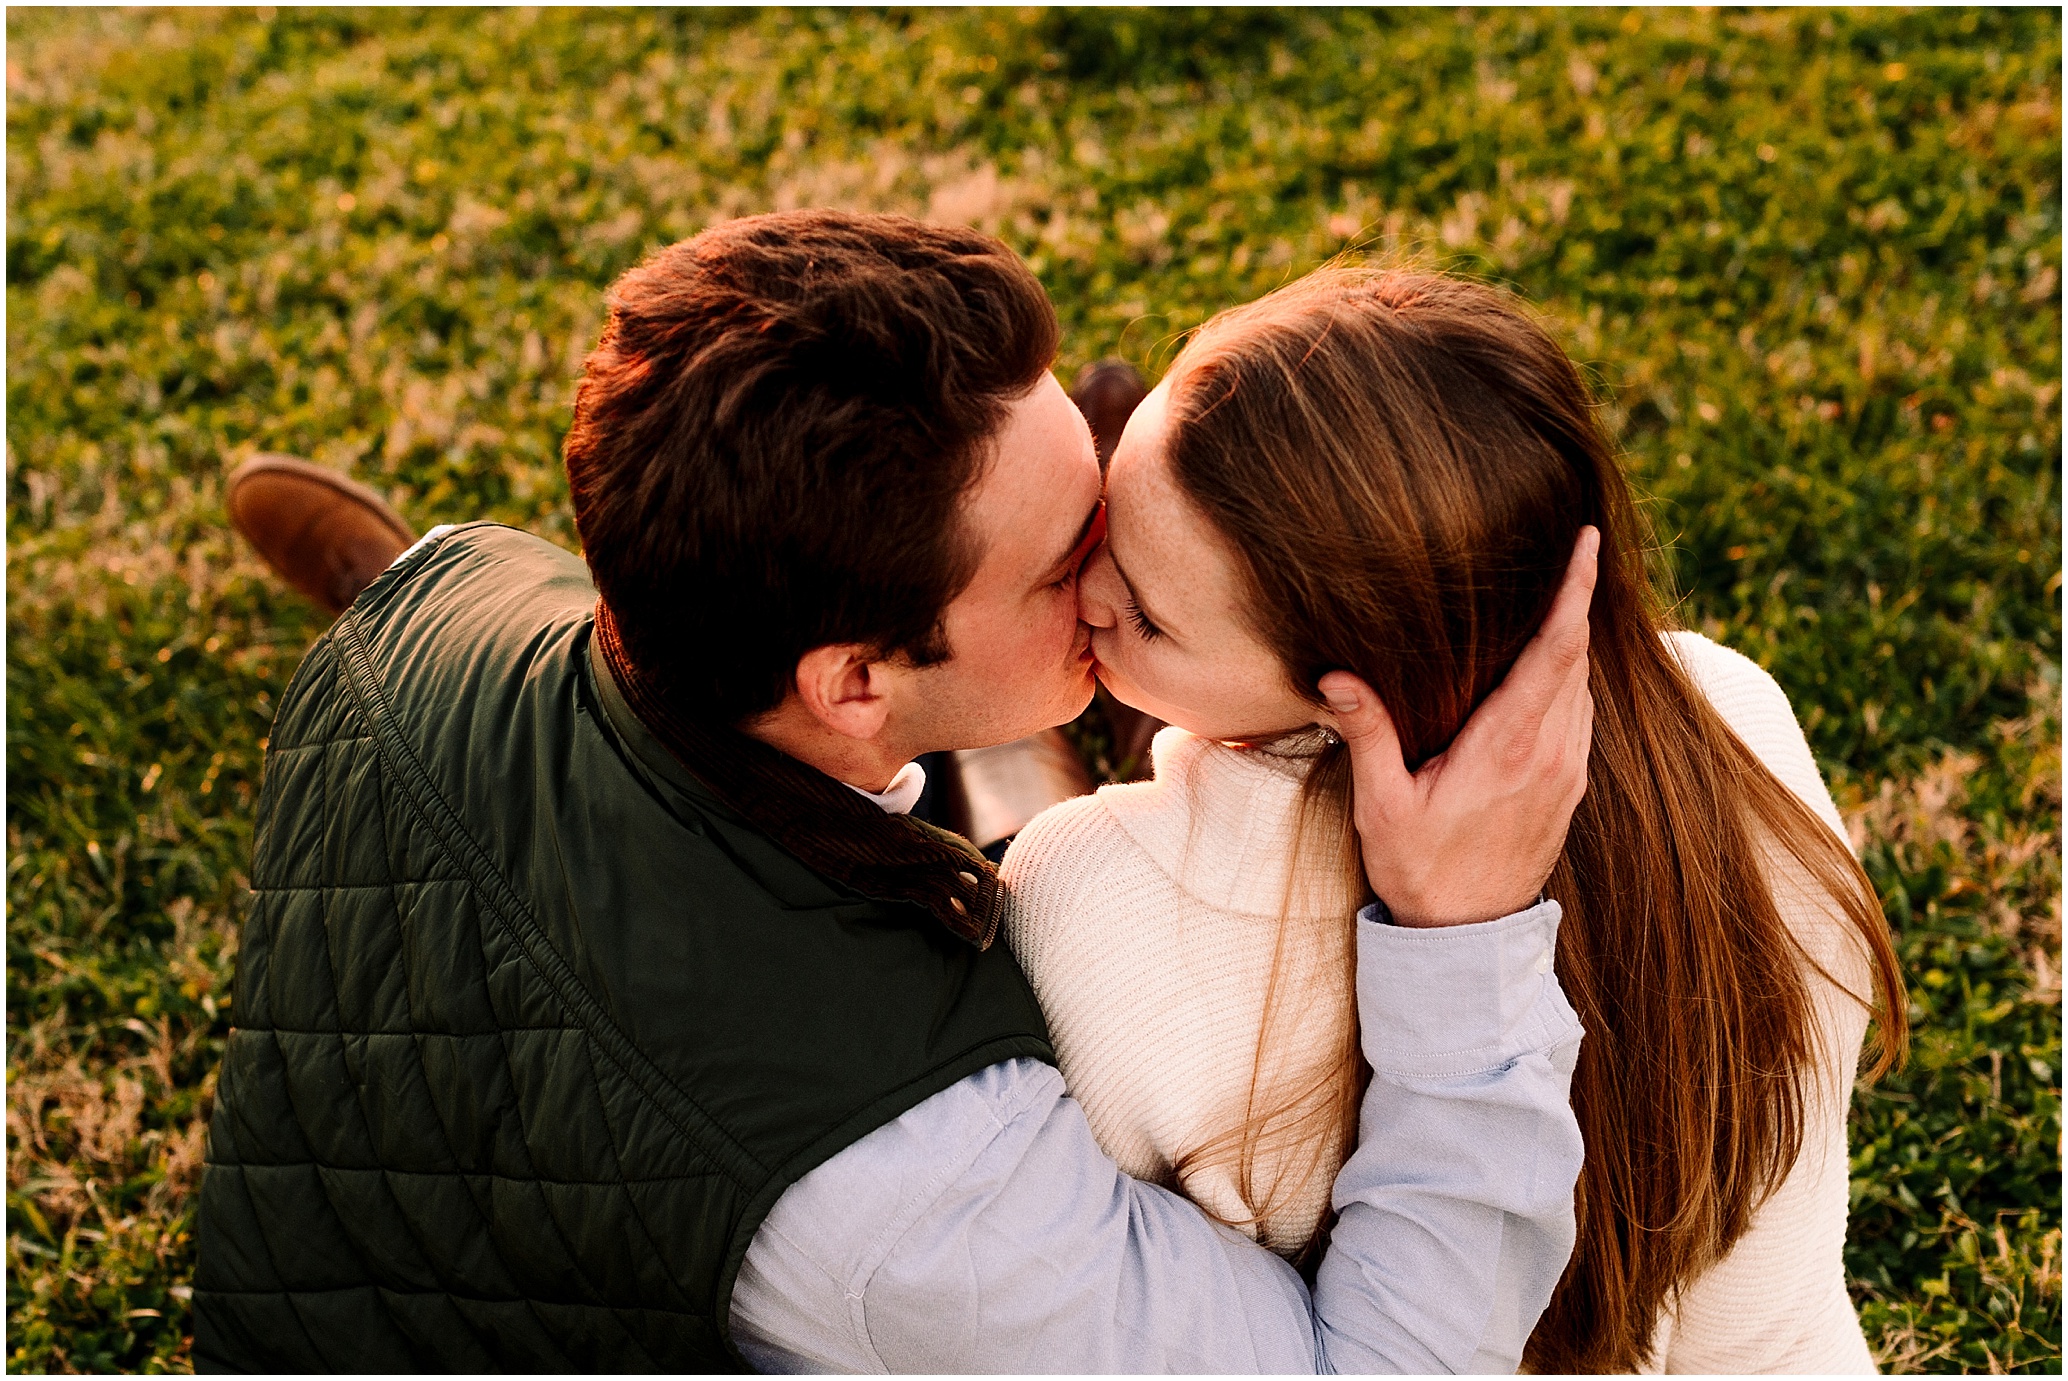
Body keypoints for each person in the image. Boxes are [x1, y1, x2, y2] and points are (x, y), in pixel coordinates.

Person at [195, 210, 1594, 1373]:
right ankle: (1020, 758)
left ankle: (1004, 739)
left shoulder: (447, 596)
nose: (1114, 567)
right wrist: (1463, 941)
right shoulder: (913, 1188)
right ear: (854, 681)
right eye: (1071, 562)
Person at [1000, 264, 1908, 1373]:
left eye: (1141, 612)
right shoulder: (1735, 725)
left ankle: (1006, 748)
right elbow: (1773, 1309)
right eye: (1108, 511)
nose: (1085, 592)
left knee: (1015, 777)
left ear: (1355, 691)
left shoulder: (1093, 900)